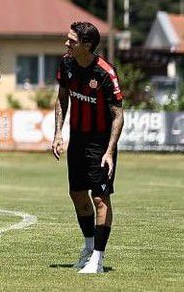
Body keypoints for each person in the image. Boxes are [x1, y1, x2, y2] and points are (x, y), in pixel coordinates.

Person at [51, 21, 124, 274]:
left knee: (100, 198)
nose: (66, 44)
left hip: (101, 143)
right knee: (77, 194)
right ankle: (89, 247)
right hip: (78, 141)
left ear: (87, 45)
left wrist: (110, 151)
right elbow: (62, 98)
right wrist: (58, 133)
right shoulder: (67, 64)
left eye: (72, 41)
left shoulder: (105, 72)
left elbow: (118, 115)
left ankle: (98, 259)